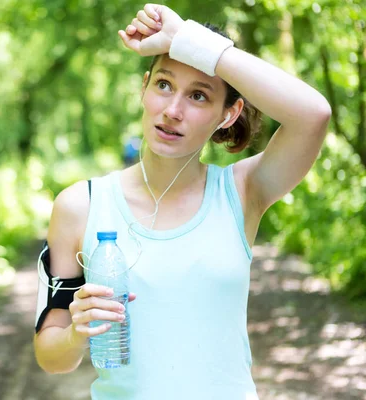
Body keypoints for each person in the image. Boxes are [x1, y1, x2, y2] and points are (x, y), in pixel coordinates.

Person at [33, 3, 331, 399]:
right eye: (164, 85)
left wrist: (187, 40)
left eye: (199, 96)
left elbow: (314, 114)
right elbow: (51, 356)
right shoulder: (80, 206)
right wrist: (76, 333)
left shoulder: (242, 191)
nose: (173, 110)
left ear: (229, 114)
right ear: (144, 88)